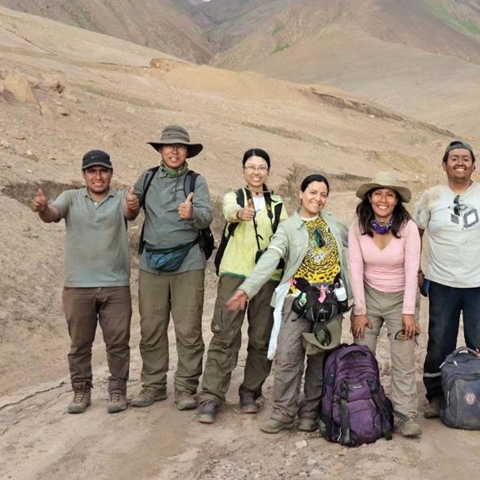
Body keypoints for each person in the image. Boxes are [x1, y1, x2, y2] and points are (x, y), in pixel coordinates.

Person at [227, 174, 351, 434]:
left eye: (323, 194)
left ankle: (309, 414)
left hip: (329, 304)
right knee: (287, 358)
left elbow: (360, 246)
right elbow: (271, 257)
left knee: (318, 360)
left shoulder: (333, 224)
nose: (318, 198)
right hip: (296, 301)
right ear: (301, 193)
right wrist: (247, 289)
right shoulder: (288, 227)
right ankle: (283, 412)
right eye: (313, 192)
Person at [415, 140, 480, 423]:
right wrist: (418, 271)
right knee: (439, 340)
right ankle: (436, 396)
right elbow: (415, 233)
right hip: (441, 281)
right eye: (454, 158)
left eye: (466, 158)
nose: (460, 162)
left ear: (473, 164)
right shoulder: (432, 196)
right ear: (444, 164)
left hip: (479, 283)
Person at [32, 150, 134, 414]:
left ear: (111, 173)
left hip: (115, 285)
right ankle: (80, 390)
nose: (98, 176)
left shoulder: (121, 197)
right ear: (84, 174)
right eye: (92, 171)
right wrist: (43, 208)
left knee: (118, 342)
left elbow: (130, 211)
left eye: (103, 171)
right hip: (78, 286)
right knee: (79, 343)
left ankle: (117, 389)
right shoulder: (71, 198)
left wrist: (133, 205)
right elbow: (52, 214)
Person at [197, 149, 287, 424]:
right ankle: (212, 394)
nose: (256, 172)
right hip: (235, 274)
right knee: (225, 334)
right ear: (243, 170)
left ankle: (251, 391)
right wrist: (240, 212)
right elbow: (228, 212)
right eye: (251, 167)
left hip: (267, 278)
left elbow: (284, 235)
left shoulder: (279, 204)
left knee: (261, 337)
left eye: (261, 167)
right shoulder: (233, 197)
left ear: (268, 171)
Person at [126, 125, 212, 410]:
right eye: (168, 146)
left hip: (188, 262)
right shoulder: (148, 177)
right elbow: (131, 210)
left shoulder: (195, 182)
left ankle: (186, 388)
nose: (174, 151)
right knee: (151, 327)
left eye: (180, 147)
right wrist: (128, 206)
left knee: (188, 329)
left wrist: (192, 214)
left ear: (187, 151)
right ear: (160, 150)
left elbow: (206, 216)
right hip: (151, 262)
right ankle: (153, 386)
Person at [349, 172, 422, 437]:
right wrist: (360, 310)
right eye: (378, 193)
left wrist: (408, 311)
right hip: (368, 295)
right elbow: (355, 270)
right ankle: (364, 411)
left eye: (389, 194)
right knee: (362, 356)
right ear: (369, 198)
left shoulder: (408, 228)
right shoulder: (357, 227)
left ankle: (405, 415)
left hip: (400, 297)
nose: (383, 199)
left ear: (396, 200)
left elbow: (412, 269)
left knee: (403, 359)